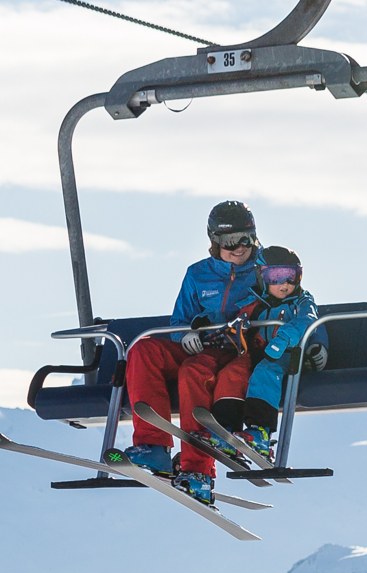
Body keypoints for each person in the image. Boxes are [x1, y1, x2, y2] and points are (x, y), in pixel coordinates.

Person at [121, 201, 265, 505]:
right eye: (230, 241)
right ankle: (153, 446)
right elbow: (179, 320)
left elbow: (290, 301)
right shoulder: (198, 274)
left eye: (246, 238)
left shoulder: (266, 270)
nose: (239, 247)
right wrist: (185, 335)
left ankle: (197, 470)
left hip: (237, 351)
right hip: (201, 347)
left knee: (194, 372)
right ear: (214, 240)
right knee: (143, 349)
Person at [212, 246, 327, 462]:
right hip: (258, 353)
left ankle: (260, 431)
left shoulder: (302, 301)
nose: (285, 284)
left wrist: (284, 338)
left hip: (288, 354)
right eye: (276, 277)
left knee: (265, 372)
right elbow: (238, 322)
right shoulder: (254, 303)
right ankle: (225, 428)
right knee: (231, 373)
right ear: (262, 277)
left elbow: (308, 320)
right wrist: (231, 331)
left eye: (291, 276)